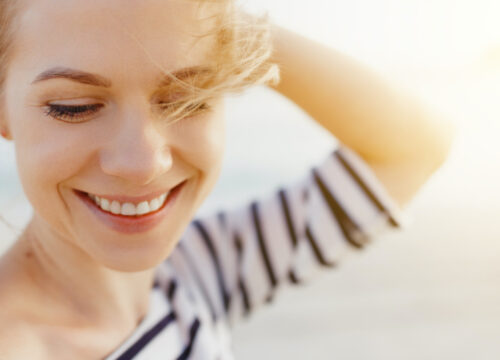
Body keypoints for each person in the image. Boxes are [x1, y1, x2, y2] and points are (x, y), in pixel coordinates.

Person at [0, 0, 456, 359]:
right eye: (74, 108)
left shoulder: (195, 272)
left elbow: (414, 149)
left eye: (187, 99)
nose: (143, 163)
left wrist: (227, 25)